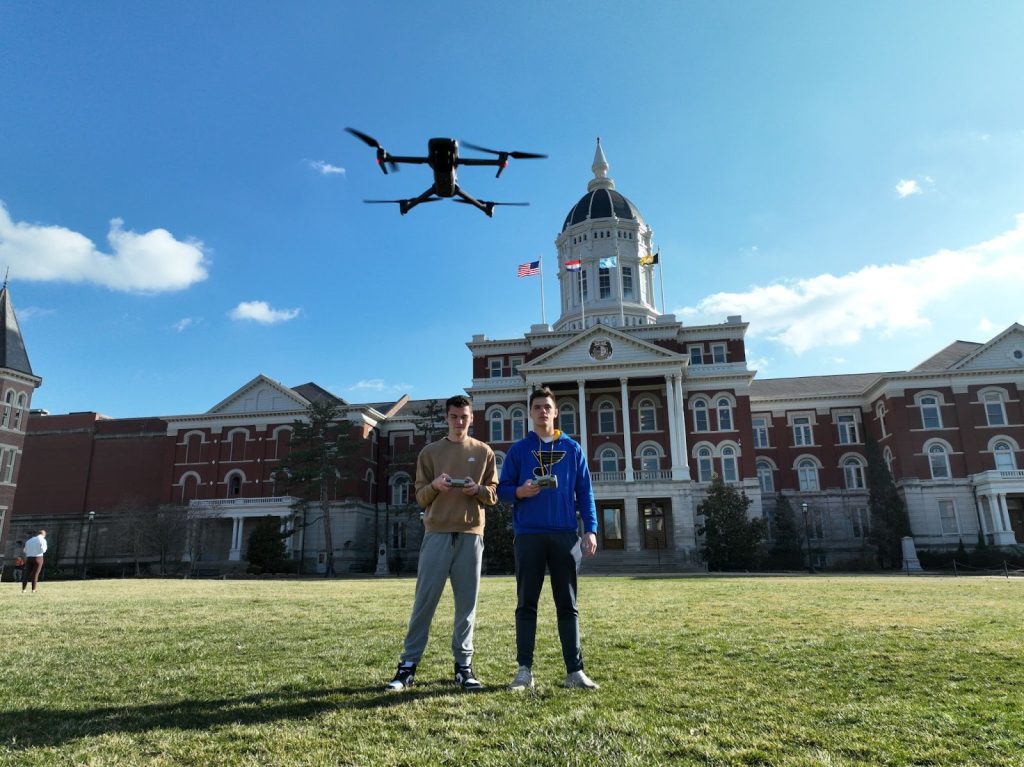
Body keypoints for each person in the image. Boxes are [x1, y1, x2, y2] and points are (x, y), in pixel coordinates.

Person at [385, 395, 498, 691]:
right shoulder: (430, 452)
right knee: (424, 603)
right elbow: (420, 496)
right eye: (454, 416)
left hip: (471, 533)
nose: (459, 421)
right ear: (446, 418)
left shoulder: (484, 452)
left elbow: (493, 495)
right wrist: (435, 486)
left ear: (471, 418)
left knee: (466, 605)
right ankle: (407, 668)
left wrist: (478, 490)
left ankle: (464, 667)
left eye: (464, 416)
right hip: (436, 533)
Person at [498, 387, 600, 690]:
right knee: (526, 603)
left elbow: (585, 492)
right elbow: (501, 490)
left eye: (548, 407)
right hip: (529, 535)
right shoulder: (518, 450)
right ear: (530, 413)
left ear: (556, 412)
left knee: (567, 604)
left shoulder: (572, 448)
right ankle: (524, 671)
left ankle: (575, 671)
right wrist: (519, 491)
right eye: (537, 407)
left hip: (565, 535)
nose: (543, 411)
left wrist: (590, 528)